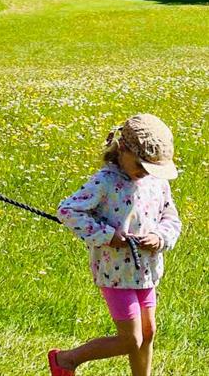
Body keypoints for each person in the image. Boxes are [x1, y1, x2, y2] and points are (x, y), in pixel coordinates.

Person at [49, 114, 182, 376]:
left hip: (146, 270)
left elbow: (170, 218)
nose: (145, 172)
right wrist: (107, 235)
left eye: (151, 168)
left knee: (148, 331)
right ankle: (66, 359)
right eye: (141, 165)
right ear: (122, 149)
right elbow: (68, 211)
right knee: (130, 339)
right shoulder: (105, 181)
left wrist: (160, 238)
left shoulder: (157, 182)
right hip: (115, 273)